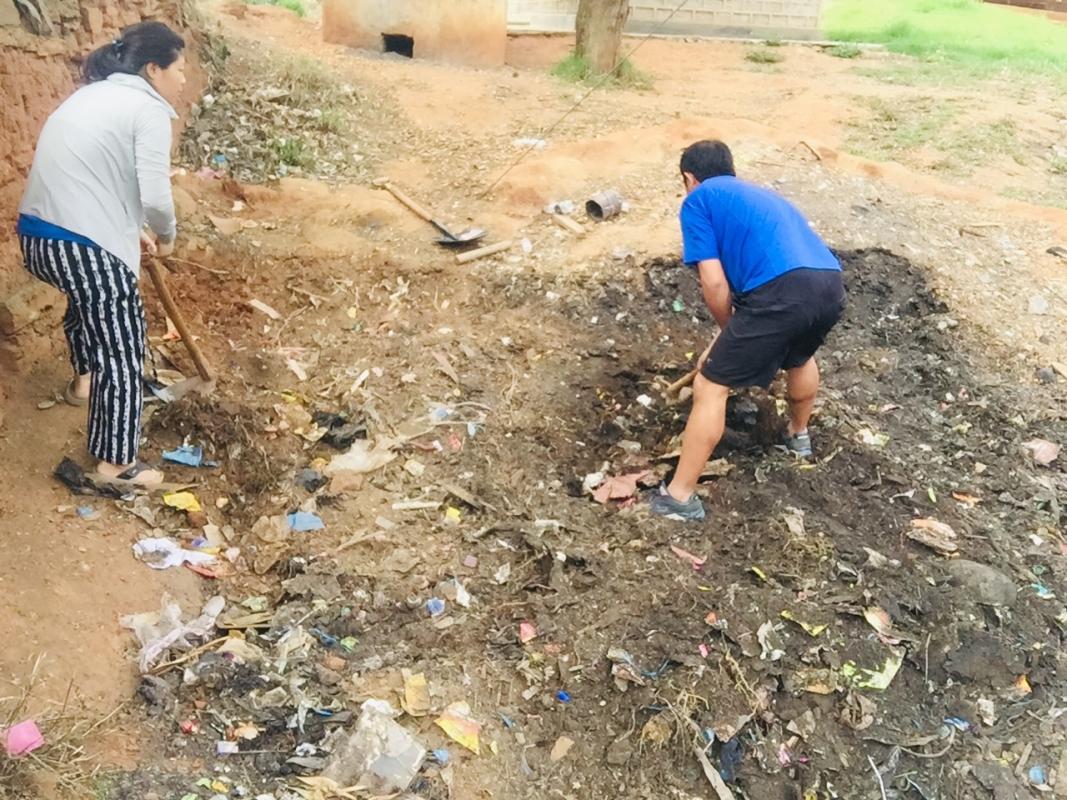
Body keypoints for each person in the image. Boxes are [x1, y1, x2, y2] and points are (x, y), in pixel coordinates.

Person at [17, 21, 186, 486]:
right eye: (180, 68)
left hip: (38, 237)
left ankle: (84, 382)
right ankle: (115, 464)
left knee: (89, 298)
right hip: (82, 241)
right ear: (154, 68)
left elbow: (94, 178)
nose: (184, 79)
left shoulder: (90, 95)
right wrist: (165, 234)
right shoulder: (147, 108)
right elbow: (153, 194)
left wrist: (129, 231)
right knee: (124, 344)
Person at [651, 140, 845, 521]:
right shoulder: (759, 196)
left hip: (782, 289)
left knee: (710, 385)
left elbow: (714, 283)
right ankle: (797, 436)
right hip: (829, 283)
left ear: (689, 178)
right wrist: (738, 333)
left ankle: (679, 497)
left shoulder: (698, 200)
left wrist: (729, 332)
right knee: (799, 356)